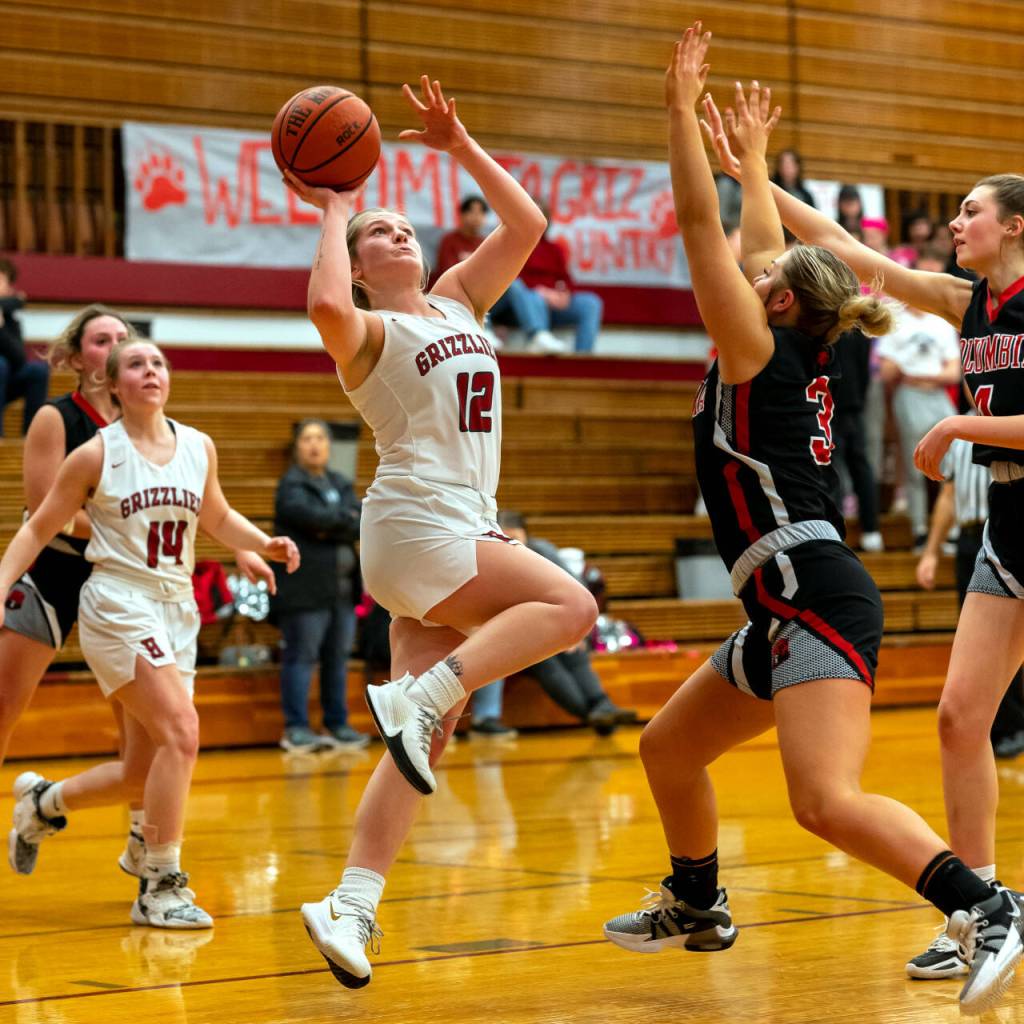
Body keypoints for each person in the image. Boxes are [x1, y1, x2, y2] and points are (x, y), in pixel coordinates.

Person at [600, 29, 1023, 1018]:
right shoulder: (780, 338)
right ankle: (697, 898)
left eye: (759, 276)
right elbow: (764, 247)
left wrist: (675, 113)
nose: (742, 276)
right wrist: (746, 157)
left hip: (811, 594)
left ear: (774, 301)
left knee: (821, 800)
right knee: (666, 748)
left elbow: (708, 234)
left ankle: (982, 905)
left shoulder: (754, 347)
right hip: (782, 598)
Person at [283, 75, 597, 988]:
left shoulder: (460, 300)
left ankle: (349, 906)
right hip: (416, 521)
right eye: (377, 231)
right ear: (359, 256)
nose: (398, 232)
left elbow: (528, 224)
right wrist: (332, 210)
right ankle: (414, 701)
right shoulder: (371, 332)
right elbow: (325, 312)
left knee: (431, 735)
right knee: (570, 605)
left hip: (453, 527)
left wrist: (459, 144)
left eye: (402, 224)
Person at [0, 337, 298, 926]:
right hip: (117, 606)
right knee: (183, 733)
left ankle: (42, 804)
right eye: (136, 364)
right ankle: (160, 882)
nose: (151, 371)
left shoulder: (198, 446)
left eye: (158, 362)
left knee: (143, 769)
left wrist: (257, 542)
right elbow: (39, 528)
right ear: (113, 385)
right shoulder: (94, 455)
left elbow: (214, 515)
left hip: (176, 609)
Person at [916, 424, 1024, 764]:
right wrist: (931, 552)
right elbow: (948, 497)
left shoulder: (959, 428)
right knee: (959, 713)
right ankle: (997, 727)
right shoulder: (960, 435)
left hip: (1001, 521)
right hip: (981, 534)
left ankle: (1013, 726)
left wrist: (953, 426)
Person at [271, 418, 368, 753]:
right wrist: (339, 521)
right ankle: (296, 728)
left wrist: (334, 525)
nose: (314, 445)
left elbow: (359, 525)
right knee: (301, 657)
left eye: (320, 439)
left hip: (342, 590)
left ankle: (336, 723)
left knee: (337, 659)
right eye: (307, 439)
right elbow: (313, 519)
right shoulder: (290, 486)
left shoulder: (341, 483)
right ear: (297, 447)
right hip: (305, 591)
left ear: (329, 446)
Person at [496, 510, 637, 734]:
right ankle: (599, 713)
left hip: (552, 624)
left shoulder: (541, 551)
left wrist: (577, 629)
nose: (512, 545)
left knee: (575, 653)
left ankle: (602, 708)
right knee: (547, 663)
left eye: (516, 538)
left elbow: (578, 587)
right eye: (505, 538)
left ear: (527, 535)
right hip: (519, 634)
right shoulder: (492, 560)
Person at [876, 252, 962, 548]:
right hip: (908, 395)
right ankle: (920, 531)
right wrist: (920, 373)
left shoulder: (940, 322)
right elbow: (886, 370)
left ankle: (952, 530)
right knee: (915, 463)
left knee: (955, 461)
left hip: (937, 395)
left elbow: (953, 372)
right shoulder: (896, 319)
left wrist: (919, 374)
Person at [489, 204, 604, 354]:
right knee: (527, 292)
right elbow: (509, 278)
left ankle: (582, 357)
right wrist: (542, 292)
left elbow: (565, 278)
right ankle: (538, 335)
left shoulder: (554, 249)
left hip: (552, 305)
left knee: (591, 303)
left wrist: (565, 294)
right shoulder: (511, 245)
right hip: (522, 306)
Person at [830, 330, 883, 551]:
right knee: (860, 466)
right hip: (852, 404)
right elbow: (864, 370)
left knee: (831, 469)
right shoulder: (857, 324)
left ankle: (834, 532)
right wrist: (858, 399)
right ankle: (871, 530)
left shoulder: (822, 318)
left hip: (828, 405)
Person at [0, 257, 49, 437]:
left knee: (38, 370)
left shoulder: (10, 320)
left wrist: (1, 329)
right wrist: (18, 300)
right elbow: (20, 300)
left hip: (5, 379)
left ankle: (31, 435)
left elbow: (19, 359)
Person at [433, 195, 489, 279]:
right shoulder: (449, 240)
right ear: (462, 215)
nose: (477, 217)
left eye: (481, 213)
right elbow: (447, 271)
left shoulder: (484, 243)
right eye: (472, 212)